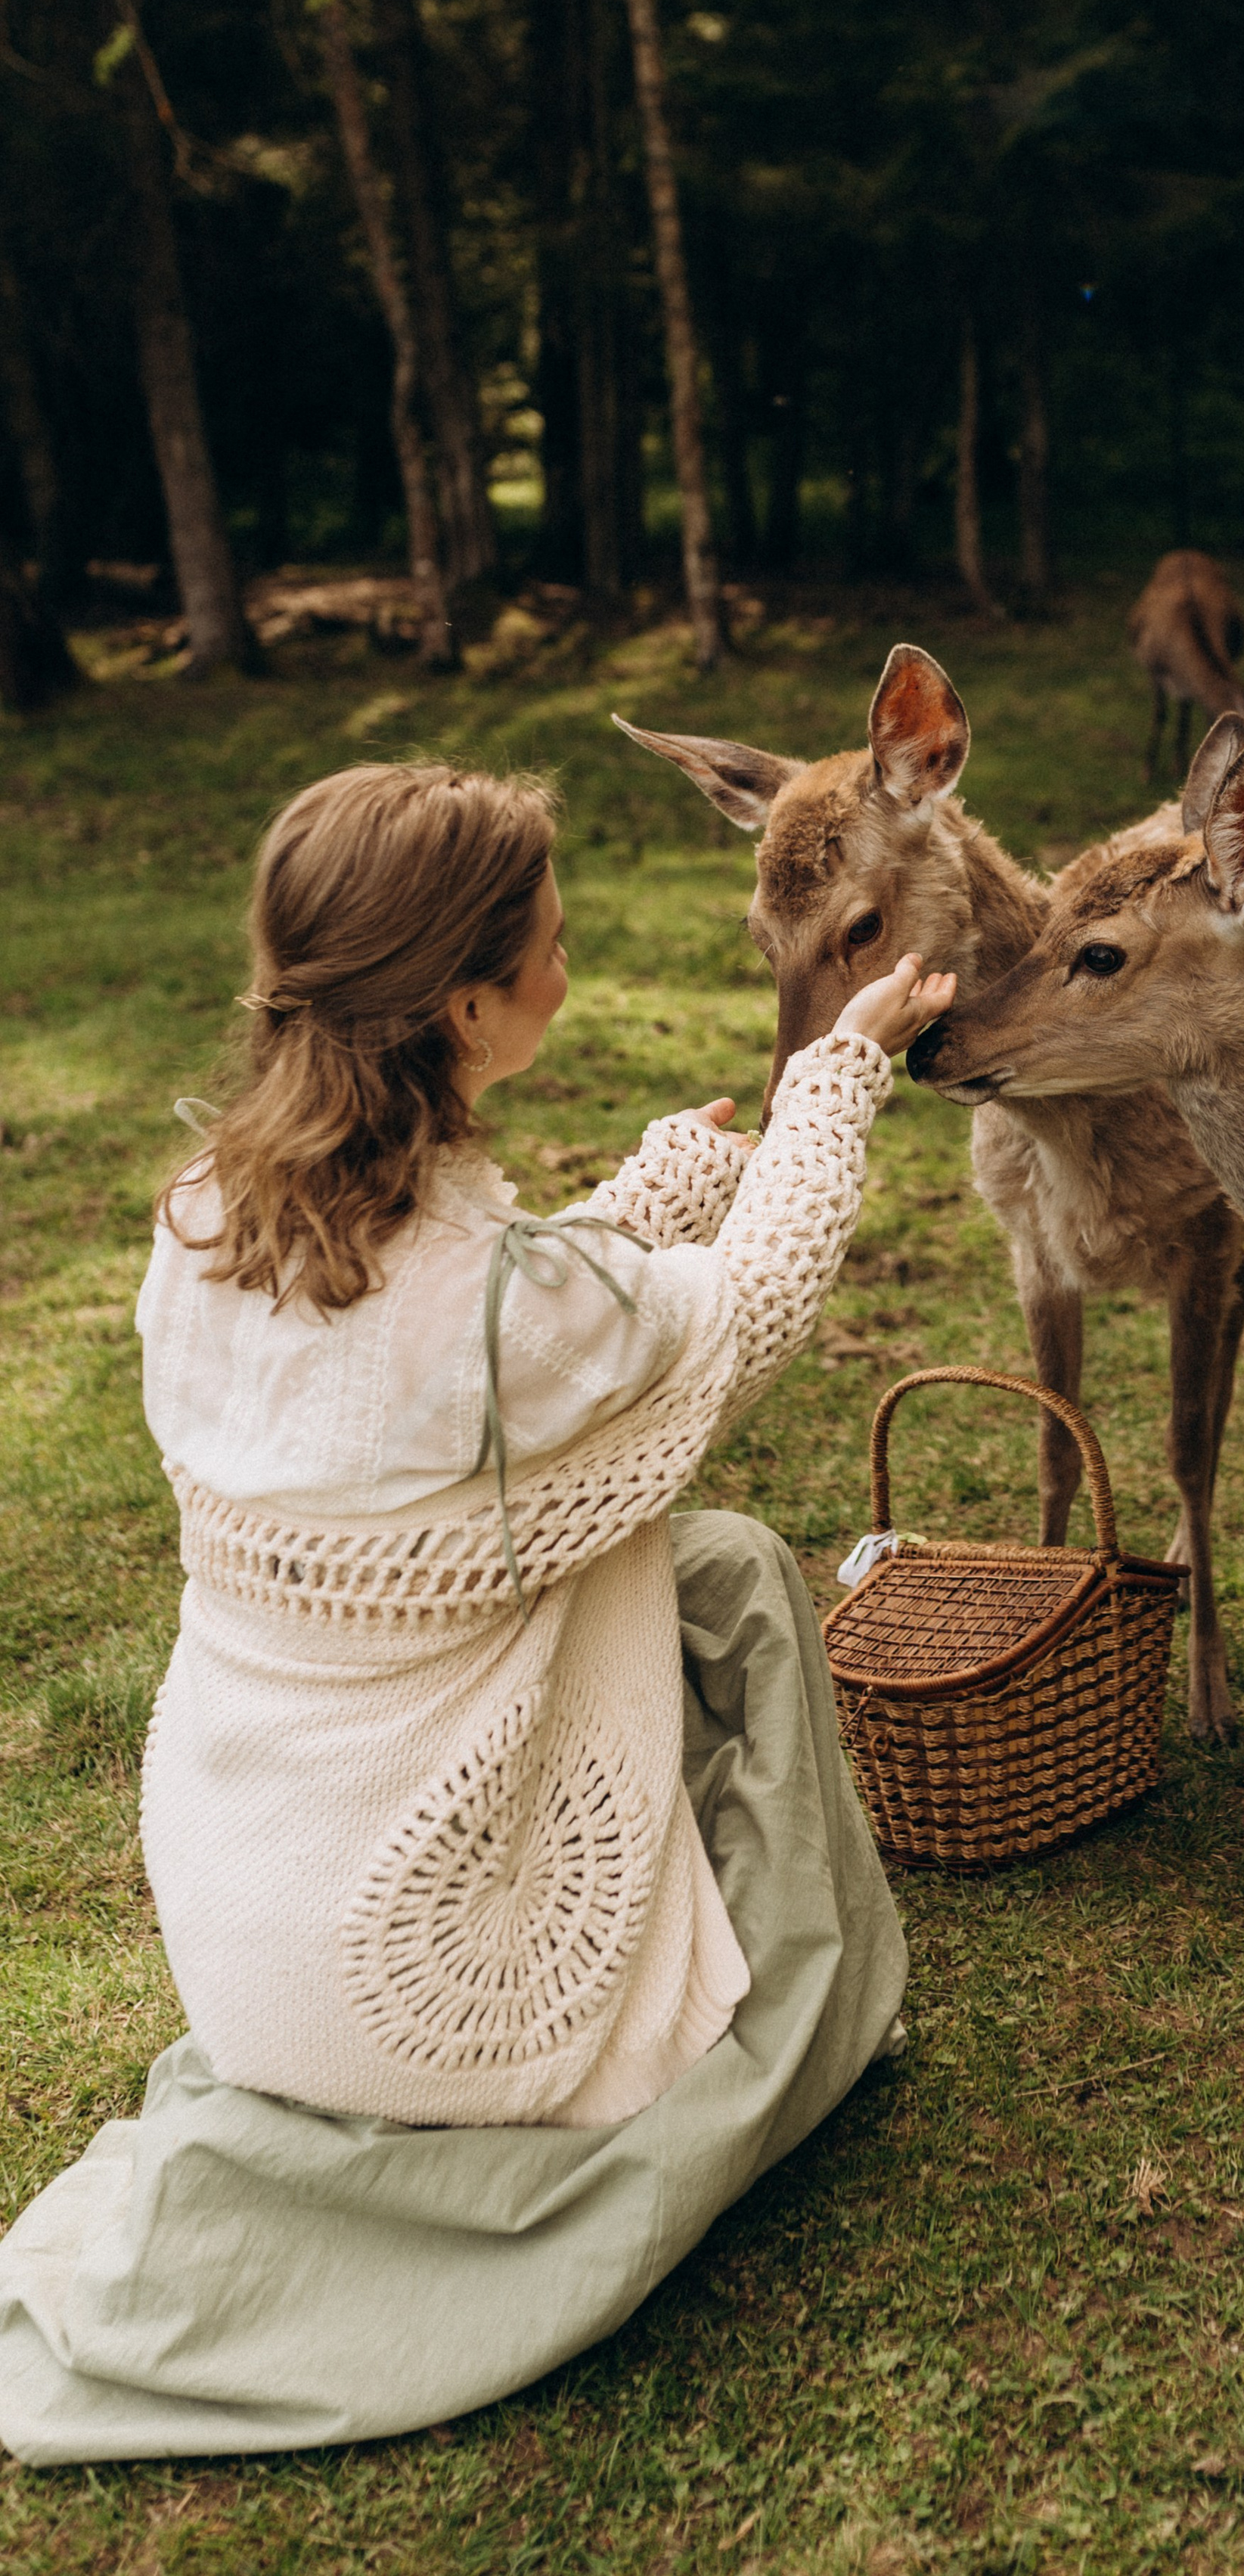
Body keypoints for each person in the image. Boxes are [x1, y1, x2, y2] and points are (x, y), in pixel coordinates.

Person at [0, 760, 954, 2463]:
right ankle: (793, 2001)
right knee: (721, 1563)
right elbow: (742, 1308)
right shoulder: (517, 1307)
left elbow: (447, 1370)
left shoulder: (204, 1220)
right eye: (555, 943)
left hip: (242, 1927)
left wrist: (654, 1188)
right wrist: (842, 1068)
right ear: (460, 1004)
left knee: (685, 1553)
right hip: (428, 1976)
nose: (568, 966)